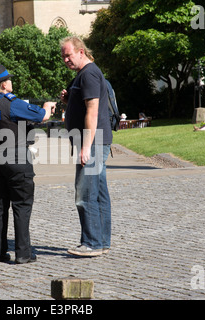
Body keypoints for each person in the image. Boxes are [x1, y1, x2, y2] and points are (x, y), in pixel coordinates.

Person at [0, 64, 56, 264]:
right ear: (4, 84)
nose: (11, 82)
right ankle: (23, 254)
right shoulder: (12, 103)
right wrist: (48, 105)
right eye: (10, 79)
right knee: (21, 206)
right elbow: (42, 116)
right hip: (16, 160)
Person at [60, 36, 113, 257]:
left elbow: (93, 111)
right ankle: (101, 241)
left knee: (85, 194)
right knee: (99, 192)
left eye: (68, 55)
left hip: (92, 142)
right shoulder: (85, 74)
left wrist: (85, 147)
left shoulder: (89, 73)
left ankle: (91, 243)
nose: (65, 59)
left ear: (81, 52)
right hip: (96, 141)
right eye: (63, 56)